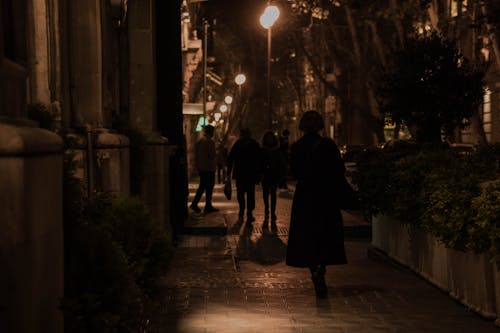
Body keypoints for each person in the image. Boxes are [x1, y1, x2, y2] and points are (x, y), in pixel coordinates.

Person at [285, 110, 348, 298]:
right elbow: (339, 169)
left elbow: (294, 172)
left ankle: (314, 268)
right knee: (325, 233)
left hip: (305, 196)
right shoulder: (328, 145)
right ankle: (321, 267)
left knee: (307, 235)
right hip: (325, 196)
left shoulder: (297, 147)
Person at [227, 127, 261, 223]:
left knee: (244, 194)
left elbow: (231, 158)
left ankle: (246, 212)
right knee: (245, 194)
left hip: (244, 174)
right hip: (246, 174)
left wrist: (229, 172)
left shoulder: (245, 144)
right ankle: (245, 212)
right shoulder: (243, 144)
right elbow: (231, 158)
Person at [189, 124, 219, 214]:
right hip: (208, 168)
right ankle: (206, 205)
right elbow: (212, 155)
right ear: (211, 132)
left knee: (202, 187)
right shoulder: (210, 141)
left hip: (201, 168)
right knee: (209, 187)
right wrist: (217, 151)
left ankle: (198, 204)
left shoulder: (199, 141)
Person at [260, 130, 287, 224]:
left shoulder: (277, 150)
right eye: (268, 138)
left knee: (273, 194)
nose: (269, 140)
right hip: (265, 175)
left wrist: (281, 175)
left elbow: (282, 163)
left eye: (271, 138)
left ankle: (273, 212)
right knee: (265, 194)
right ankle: (266, 208)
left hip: (274, 175)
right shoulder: (262, 150)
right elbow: (259, 163)